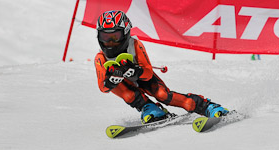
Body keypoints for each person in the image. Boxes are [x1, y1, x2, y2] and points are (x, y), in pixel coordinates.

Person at [94, 10, 229, 124]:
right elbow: (102, 87)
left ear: (126, 33)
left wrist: (136, 71)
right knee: (129, 95)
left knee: (162, 95)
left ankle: (206, 106)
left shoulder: (135, 45)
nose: (110, 42)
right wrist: (110, 82)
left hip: (143, 78)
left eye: (115, 37)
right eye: (105, 37)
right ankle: (150, 108)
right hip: (124, 85)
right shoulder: (100, 58)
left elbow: (147, 73)